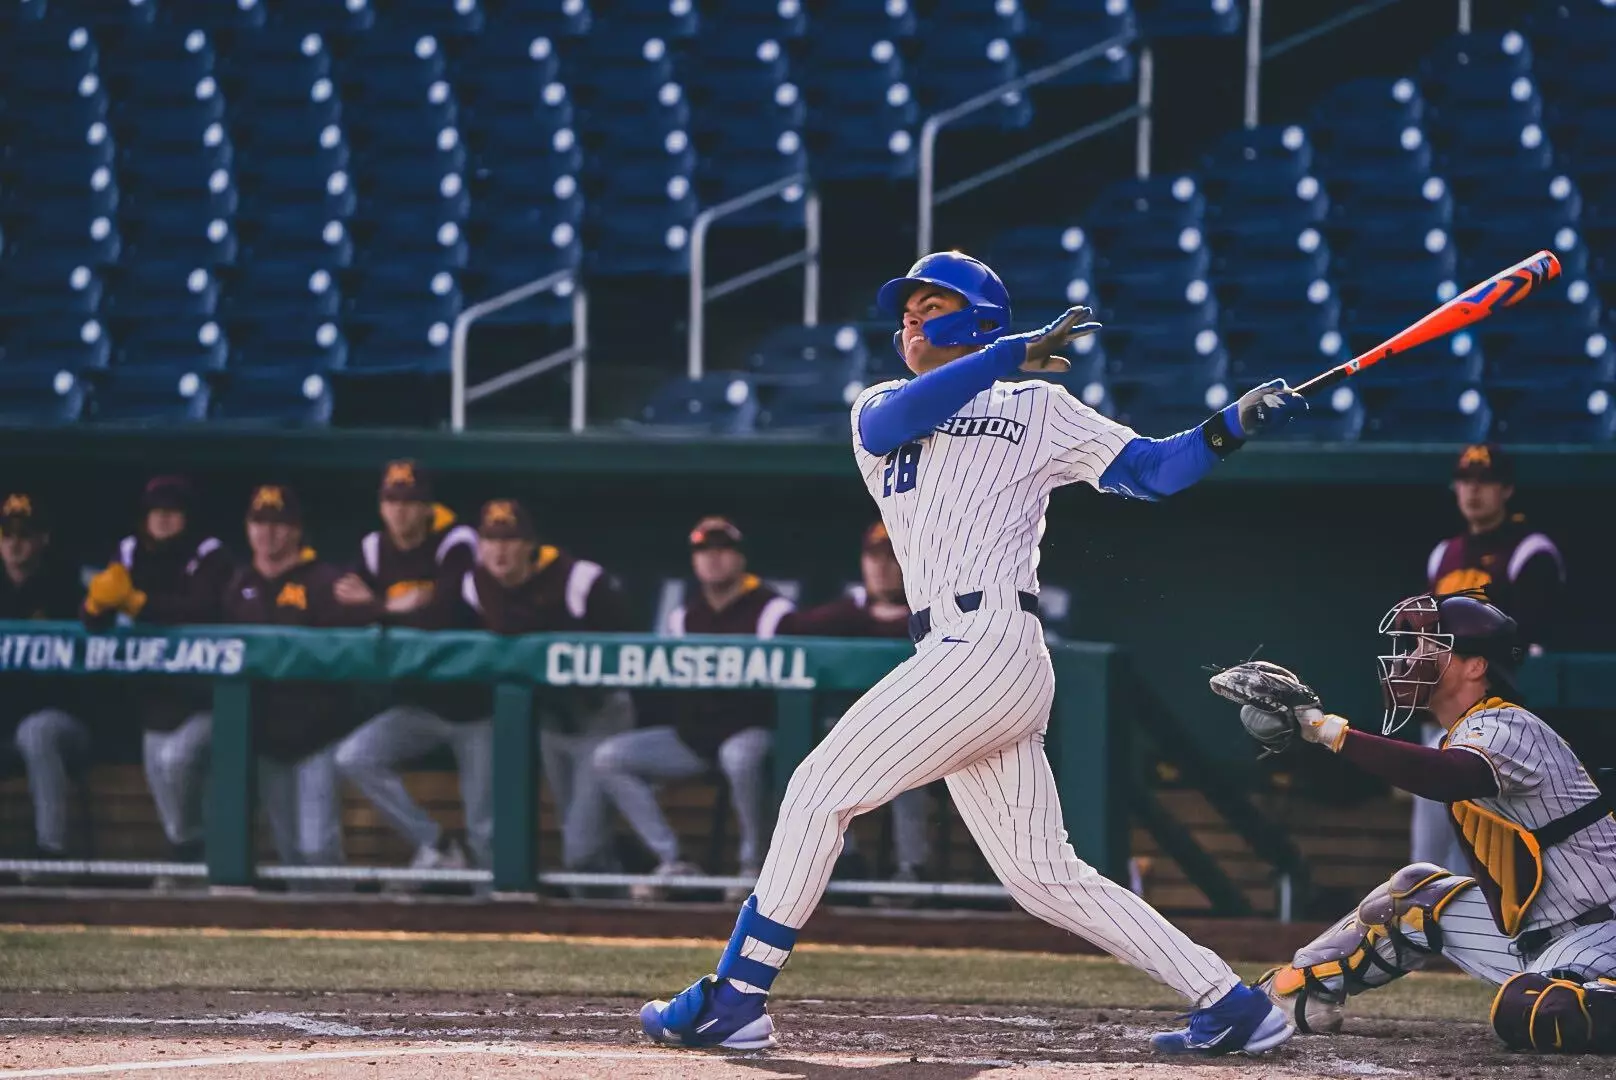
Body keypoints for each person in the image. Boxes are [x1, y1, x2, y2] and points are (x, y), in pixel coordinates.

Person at [640, 250, 1306, 1054]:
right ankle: (1232, 1005)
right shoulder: (880, 402)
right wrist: (1004, 353)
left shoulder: (1038, 404)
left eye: (932, 308)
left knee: (817, 791)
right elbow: (890, 425)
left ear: (980, 319)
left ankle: (736, 996)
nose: (912, 323)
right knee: (1042, 876)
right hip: (956, 652)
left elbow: (1153, 473)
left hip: (988, 643)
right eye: (907, 313)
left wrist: (1228, 428)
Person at [1213, 593, 1616, 1053]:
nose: (1409, 659)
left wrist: (1327, 730)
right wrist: (1312, 731)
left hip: (1601, 932)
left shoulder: (1509, 724)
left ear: (1475, 666)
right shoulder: (1464, 731)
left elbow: (1446, 776)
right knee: (1412, 898)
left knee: (1537, 1010)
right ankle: (1280, 1000)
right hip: (1536, 936)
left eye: (1429, 647)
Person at [594, 516, 794, 899]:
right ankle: (673, 859)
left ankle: (756, 865)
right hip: (697, 739)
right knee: (610, 757)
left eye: (722, 549)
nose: (713, 558)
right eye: (703, 550)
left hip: (754, 733)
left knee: (739, 756)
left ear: (740, 557)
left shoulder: (772, 610)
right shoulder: (684, 616)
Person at [448, 498, 638, 876]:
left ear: (530, 544)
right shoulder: (474, 584)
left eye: (510, 540)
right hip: (550, 722)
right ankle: (608, 898)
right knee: (575, 836)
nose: (499, 551)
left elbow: (628, 647)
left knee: (581, 846)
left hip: (598, 716)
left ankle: (630, 879)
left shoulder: (578, 578)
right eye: (490, 540)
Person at [1412, 444, 1566, 871]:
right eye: (1465, 481)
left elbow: (1527, 642)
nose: (1474, 491)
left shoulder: (1530, 549)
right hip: (1446, 714)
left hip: (1499, 721)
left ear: (1507, 489)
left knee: (1478, 856)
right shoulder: (1444, 553)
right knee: (1427, 856)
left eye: (1485, 482)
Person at [333, 460, 481, 880]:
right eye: (392, 501)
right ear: (381, 506)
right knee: (354, 757)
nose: (401, 511)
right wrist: (389, 605)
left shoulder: (456, 542)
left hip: (478, 707)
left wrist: (375, 607)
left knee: (487, 829)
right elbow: (338, 611)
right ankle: (437, 844)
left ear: (428, 507)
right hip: (422, 705)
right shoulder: (373, 548)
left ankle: (497, 911)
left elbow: (445, 615)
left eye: (411, 502)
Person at [217, 485, 374, 872]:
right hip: (265, 741)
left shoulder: (325, 581)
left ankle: (337, 910)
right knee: (289, 852)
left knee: (318, 848)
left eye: (279, 524)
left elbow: (358, 648)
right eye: (259, 523)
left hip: (317, 738)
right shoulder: (238, 585)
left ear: (297, 530)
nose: (268, 533)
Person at [81, 475, 234, 867]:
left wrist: (139, 604)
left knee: (177, 761)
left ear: (187, 516)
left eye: (173, 511)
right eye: (156, 511)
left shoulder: (209, 552)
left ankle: (199, 854)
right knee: (163, 781)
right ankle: (187, 857)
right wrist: (94, 608)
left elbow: (203, 609)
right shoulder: (129, 549)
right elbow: (99, 615)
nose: (164, 518)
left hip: (208, 697)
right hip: (156, 697)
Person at [779, 522, 932, 893]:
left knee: (906, 768)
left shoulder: (935, 614)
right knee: (816, 760)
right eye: (874, 557)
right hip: (853, 739)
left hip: (916, 738)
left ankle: (913, 870)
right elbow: (787, 632)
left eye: (892, 557)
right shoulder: (843, 615)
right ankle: (843, 860)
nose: (882, 567)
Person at [3, 494, 94, 861]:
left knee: (36, 731)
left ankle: (50, 851)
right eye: (6, 534)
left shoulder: (67, 584)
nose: (14, 543)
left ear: (44, 539)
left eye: (24, 534)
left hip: (65, 721)